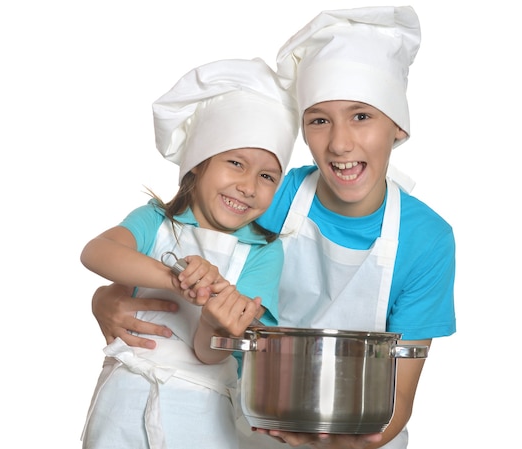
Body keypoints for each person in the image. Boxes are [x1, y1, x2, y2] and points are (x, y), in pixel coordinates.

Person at [90, 6, 456, 449]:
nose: (340, 143)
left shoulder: (426, 239)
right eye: (319, 120)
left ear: (397, 126)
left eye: (362, 116)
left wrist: (331, 444)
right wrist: (106, 296)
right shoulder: (270, 196)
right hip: (248, 426)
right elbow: (180, 239)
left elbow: (396, 404)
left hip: (358, 437)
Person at [79, 57, 299, 449]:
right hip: (122, 404)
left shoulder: (263, 251)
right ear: (197, 164)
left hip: (201, 419)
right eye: (235, 163)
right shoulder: (155, 222)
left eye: (267, 176)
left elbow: (209, 354)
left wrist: (213, 322)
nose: (248, 186)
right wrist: (176, 279)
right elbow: (96, 252)